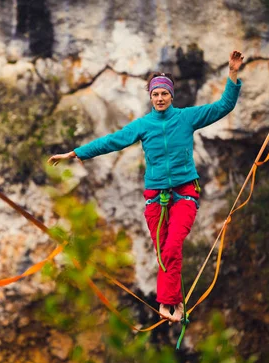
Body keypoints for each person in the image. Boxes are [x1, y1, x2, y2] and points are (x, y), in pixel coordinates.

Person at [48, 51, 244, 323]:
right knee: (164, 254)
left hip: (185, 193)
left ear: (171, 96)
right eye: (156, 95)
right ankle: (169, 305)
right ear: (150, 98)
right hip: (155, 200)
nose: (160, 98)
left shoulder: (187, 118)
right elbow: (112, 141)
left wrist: (233, 73)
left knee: (173, 246)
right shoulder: (144, 125)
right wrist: (75, 153)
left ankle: (168, 302)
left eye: (164, 93)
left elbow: (223, 106)